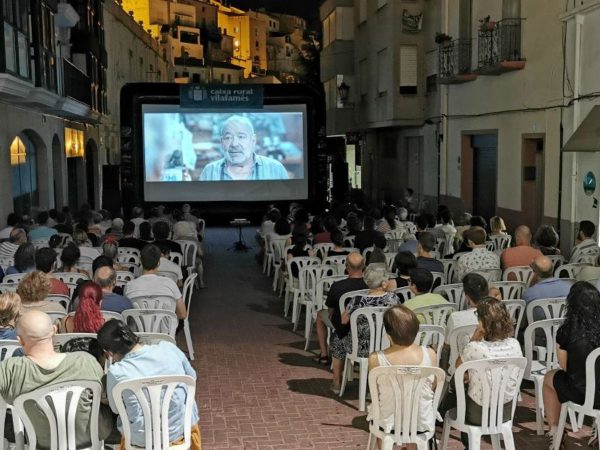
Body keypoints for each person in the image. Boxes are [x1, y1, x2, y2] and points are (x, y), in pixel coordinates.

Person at [0, 310, 115, 448]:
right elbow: (105, 397)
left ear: (20, 340)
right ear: (54, 330)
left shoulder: (11, 369)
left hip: (43, 443)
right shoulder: (85, 361)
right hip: (89, 439)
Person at [98, 319, 200, 449]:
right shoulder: (168, 348)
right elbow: (192, 377)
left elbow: (116, 408)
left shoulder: (117, 372)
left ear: (110, 352)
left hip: (140, 440)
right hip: (180, 430)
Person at [439, 298, 522, 427]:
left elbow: (458, 366)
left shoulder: (475, 348)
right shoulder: (515, 344)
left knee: (458, 378)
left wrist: (474, 339)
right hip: (505, 412)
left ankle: (442, 413)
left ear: (483, 322)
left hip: (479, 413)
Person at [543, 283, 600, 443]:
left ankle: (554, 429)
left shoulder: (567, 331)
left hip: (582, 394)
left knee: (549, 378)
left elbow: (564, 366)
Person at [368, 305, 438, 435]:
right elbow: (433, 385)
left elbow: (375, 391)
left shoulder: (376, 358)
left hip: (388, 421)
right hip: (420, 420)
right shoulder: (430, 354)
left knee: (380, 423)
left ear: (388, 335)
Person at [329, 264, 399, 393]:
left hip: (359, 348)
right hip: (385, 345)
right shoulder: (393, 299)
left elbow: (343, 320)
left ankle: (336, 383)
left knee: (337, 340)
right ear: (384, 283)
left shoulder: (356, 300)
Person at [314, 253, 367, 365]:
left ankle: (324, 354)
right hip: (364, 325)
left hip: (342, 326)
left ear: (346, 266)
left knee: (319, 315)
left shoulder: (338, 286)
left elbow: (330, 311)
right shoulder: (369, 284)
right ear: (364, 266)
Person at [199, 115, 288, 181]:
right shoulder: (209, 172)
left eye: (241, 137)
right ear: (222, 142)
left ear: (253, 140)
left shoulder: (275, 169)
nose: (234, 144)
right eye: (228, 137)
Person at [124, 244, 186, 319]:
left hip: (138, 330)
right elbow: (183, 314)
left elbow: (127, 312)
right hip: (165, 329)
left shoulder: (129, 286)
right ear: (158, 263)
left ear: (140, 261)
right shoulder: (170, 283)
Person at [442, 274, 488, 372]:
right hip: (486, 368)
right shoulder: (494, 316)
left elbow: (446, 347)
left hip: (459, 371)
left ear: (467, 297)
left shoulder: (455, 317)